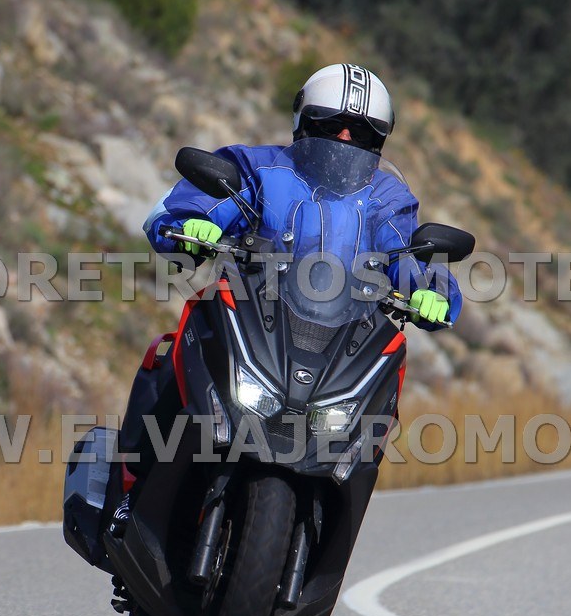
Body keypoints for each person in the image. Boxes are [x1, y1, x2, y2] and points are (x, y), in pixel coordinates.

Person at [109, 64, 460, 535]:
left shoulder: (387, 199)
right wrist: (195, 223)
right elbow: (195, 202)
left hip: (339, 339)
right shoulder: (260, 168)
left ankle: (330, 524)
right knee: (169, 355)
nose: (344, 137)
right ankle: (131, 492)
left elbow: (409, 254)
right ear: (303, 122)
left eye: (361, 131)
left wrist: (432, 292)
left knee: (376, 411)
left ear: (380, 140)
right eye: (331, 124)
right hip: (253, 320)